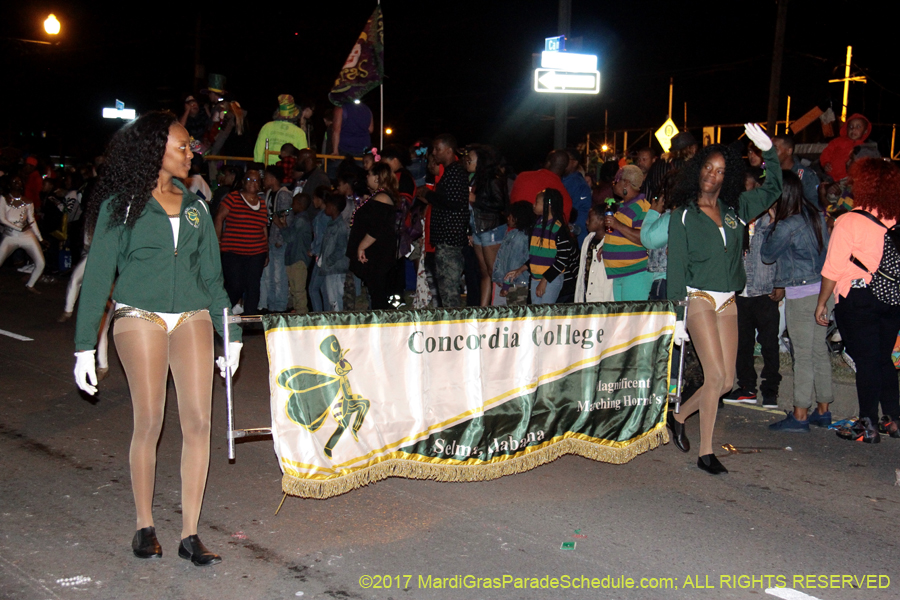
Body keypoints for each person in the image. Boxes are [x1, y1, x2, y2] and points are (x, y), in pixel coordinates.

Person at [72, 111, 241, 566]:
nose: (191, 153)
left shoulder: (196, 206)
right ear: (154, 150)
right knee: (150, 421)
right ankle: (145, 525)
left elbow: (213, 280)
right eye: (182, 146)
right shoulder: (120, 205)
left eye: (190, 147)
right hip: (139, 316)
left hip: (193, 317)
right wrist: (84, 345)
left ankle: (190, 534)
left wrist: (233, 333)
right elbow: (98, 279)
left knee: (199, 423)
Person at [666, 123, 782, 475]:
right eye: (707, 168)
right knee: (714, 376)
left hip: (729, 300)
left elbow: (774, 188)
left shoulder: (737, 209)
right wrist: (677, 317)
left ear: (726, 177)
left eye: (720, 171)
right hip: (698, 297)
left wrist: (770, 154)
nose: (712, 176)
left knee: (727, 381)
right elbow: (676, 267)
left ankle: (679, 416)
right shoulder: (683, 214)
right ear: (697, 169)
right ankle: (706, 452)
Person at [816, 158, 900, 443]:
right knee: (882, 359)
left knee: (866, 361)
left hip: (858, 298)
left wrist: (822, 302)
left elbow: (833, 268)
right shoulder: (897, 220)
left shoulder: (849, 220)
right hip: (893, 298)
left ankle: (867, 424)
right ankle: (894, 419)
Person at [761, 170, 832, 431]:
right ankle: (823, 409)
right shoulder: (813, 214)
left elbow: (767, 254)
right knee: (818, 350)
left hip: (802, 296)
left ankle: (800, 414)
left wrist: (771, 222)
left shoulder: (786, 224)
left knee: (802, 355)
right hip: (823, 291)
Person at [721, 167, 782, 408]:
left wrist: (780, 283)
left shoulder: (771, 218)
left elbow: (780, 253)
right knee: (742, 343)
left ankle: (770, 390)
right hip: (741, 291)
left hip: (766, 290)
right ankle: (746, 387)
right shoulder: (734, 219)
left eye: (749, 188)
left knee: (769, 344)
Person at [416, 134, 468, 307]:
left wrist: (429, 195)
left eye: (438, 149)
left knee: (449, 290)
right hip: (445, 239)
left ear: (449, 150)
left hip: (450, 239)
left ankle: (454, 329)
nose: (435, 153)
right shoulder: (450, 172)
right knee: (445, 290)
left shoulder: (455, 171)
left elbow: (453, 203)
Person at [508, 188, 577, 305]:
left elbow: (562, 260)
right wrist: (521, 269)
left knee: (545, 315)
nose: (533, 205)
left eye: (537, 202)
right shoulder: (537, 226)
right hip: (536, 278)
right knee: (538, 315)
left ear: (548, 205)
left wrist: (544, 280)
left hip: (551, 279)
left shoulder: (558, 229)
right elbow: (537, 256)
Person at [215, 169, 268, 316]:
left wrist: (266, 250)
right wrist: (217, 241)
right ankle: (221, 313)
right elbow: (219, 217)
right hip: (233, 251)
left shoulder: (261, 203)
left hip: (256, 252)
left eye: (256, 180)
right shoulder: (232, 198)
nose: (253, 183)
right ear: (243, 182)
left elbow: (263, 227)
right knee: (235, 285)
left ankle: (250, 318)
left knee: (253, 287)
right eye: (249, 180)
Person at [349, 163, 400, 310]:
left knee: (378, 294)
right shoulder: (378, 196)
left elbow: (377, 227)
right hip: (376, 254)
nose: (367, 176)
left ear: (378, 177)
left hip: (378, 254)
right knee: (375, 292)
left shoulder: (382, 197)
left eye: (370, 174)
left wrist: (362, 246)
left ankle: (383, 326)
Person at [466, 144, 508, 306]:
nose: (467, 161)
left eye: (471, 159)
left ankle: (500, 308)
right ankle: (484, 310)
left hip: (491, 228)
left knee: (494, 272)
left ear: (481, 161)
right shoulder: (475, 178)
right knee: (484, 272)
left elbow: (500, 204)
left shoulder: (493, 178)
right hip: (478, 228)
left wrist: (476, 199)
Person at [603, 165, 652, 301]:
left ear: (626, 183)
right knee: (623, 319)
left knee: (632, 318)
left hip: (636, 273)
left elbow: (645, 238)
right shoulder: (625, 206)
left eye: (616, 181)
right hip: (620, 272)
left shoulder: (642, 207)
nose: (613, 185)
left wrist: (617, 224)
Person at [0, 175, 46, 293]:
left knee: (40, 262)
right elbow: (2, 219)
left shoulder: (28, 202)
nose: (17, 183)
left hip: (26, 236)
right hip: (10, 236)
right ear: (9, 185)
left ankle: (30, 285)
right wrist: (18, 228)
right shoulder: (3, 200)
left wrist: (40, 238)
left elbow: (31, 221)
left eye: (19, 181)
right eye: (14, 181)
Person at [275, 193, 313, 314]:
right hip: (294, 257)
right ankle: (298, 311)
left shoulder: (301, 220)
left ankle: (302, 313)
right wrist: (285, 225)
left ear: (300, 204)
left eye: (294, 202)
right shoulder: (300, 219)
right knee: (295, 289)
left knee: (298, 289)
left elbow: (289, 238)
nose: (292, 205)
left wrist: (279, 225)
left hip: (298, 258)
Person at [509, 150, 573, 220]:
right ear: (565, 169)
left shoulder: (523, 177)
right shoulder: (565, 197)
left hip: (514, 228)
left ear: (548, 163)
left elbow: (512, 203)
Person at [492, 200, 535, 306]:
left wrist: (506, 285)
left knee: (516, 315)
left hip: (517, 285)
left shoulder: (520, 238)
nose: (508, 218)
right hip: (511, 283)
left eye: (510, 215)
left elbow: (514, 264)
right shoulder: (512, 234)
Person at [254, 95, 309, 166]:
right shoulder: (299, 132)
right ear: (295, 115)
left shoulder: (267, 127)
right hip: (288, 170)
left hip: (269, 169)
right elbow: (303, 155)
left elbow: (258, 151)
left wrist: (259, 168)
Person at [574, 206, 613, 303]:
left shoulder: (610, 243)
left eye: (590, 219)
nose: (586, 222)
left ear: (601, 221)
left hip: (601, 296)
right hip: (585, 294)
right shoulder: (588, 239)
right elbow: (582, 270)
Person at [319, 193, 351, 311]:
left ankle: (339, 323)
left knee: (336, 297)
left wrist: (328, 260)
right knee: (332, 298)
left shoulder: (339, 226)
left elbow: (341, 248)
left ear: (332, 207)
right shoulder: (332, 224)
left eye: (327, 206)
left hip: (336, 267)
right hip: (331, 267)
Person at [819, 114, 871, 182]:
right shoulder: (837, 141)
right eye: (851, 127)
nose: (853, 129)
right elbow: (826, 153)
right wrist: (825, 163)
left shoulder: (865, 148)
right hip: (831, 177)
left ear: (865, 131)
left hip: (851, 180)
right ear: (846, 129)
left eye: (858, 127)